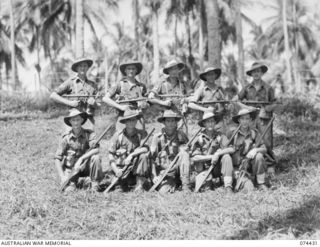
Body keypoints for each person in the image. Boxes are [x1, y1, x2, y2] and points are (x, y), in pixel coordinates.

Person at [54, 109, 104, 192]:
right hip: (72, 169)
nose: (76, 123)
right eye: (73, 120)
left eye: (78, 120)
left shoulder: (89, 134)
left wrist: (81, 159)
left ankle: (94, 183)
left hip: (86, 167)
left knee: (96, 158)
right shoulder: (66, 138)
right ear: (70, 122)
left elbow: (96, 149)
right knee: (69, 190)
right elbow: (57, 158)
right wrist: (62, 176)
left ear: (82, 120)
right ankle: (79, 182)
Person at [191, 112, 234, 193]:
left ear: (215, 123)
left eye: (212, 121)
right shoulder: (199, 138)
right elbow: (195, 157)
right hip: (204, 169)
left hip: (217, 168)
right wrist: (211, 157)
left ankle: (228, 186)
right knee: (206, 189)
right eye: (208, 122)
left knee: (227, 157)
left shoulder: (220, 135)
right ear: (204, 123)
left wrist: (218, 154)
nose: (210, 124)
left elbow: (231, 149)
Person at [108, 109, 150, 192]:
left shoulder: (142, 134)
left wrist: (132, 155)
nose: (131, 122)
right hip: (121, 170)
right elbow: (110, 155)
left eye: (133, 120)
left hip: (136, 170)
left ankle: (139, 184)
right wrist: (116, 170)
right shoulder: (118, 136)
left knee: (143, 156)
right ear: (125, 122)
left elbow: (146, 148)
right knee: (118, 190)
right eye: (129, 120)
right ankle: (122, 184)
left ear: (136, 121)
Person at [150, 110, 191, 193]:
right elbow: (152, 159)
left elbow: (189, 151)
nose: (171, 123)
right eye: (168, 121)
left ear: (176, 122)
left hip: (179, 169)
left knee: (184, 153)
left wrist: (185, 150)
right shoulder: (157, 137)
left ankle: (186, 185)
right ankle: (173, 183)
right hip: (165, 172)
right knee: (163, 192)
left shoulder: (181, 134)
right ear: (164, 122)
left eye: (173, 120)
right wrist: (154, 176)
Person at [238, 62, 277, 148]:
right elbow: (237, 101)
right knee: (250, 139)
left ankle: (269, 160)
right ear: (251, 74)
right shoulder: (247, 88)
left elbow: (274, 103)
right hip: (250, 118)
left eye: (258, 71)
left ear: (262, 73)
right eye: (254, 72)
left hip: (264, 119)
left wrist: (267, 108)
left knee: (266, 140)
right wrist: (247, 108)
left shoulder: (268, 88)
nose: (256, 73)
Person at [50, 58, 99, 126]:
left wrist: (94, 103)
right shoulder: (70, 82)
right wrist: (70, 103)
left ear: (88, 68)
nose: (83, 68)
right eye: (80, 66)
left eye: (85, 66)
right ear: (77, 68)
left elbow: (99, 104)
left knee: (90, 136)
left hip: (88, 120)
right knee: (70, 136)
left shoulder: (93, 85)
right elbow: (53, 95)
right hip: (73, 120)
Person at [230, 108, 268, 191]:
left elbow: (264, 149)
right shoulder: (232, 134)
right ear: (239, 120)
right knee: (249, 188)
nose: (245, 121)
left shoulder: (254, 133)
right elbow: (225, 152)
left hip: (250, 166)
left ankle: (261, 183)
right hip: (237, 168)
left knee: (259, 156)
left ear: (250, 120)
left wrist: (255, 150)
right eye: (242, 119)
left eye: (247, 119)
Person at [102, 60, 147, 130]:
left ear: (136, 70)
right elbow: (105, 98)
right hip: (123, 117)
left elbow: (147, 102)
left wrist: (144, 105)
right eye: (129, 69)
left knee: (140, 139)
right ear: (125, 71)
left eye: (133, 69)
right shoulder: (120, 84)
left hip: (138, 118)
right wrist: (120, 107)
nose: (131, 71)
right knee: (121, 138)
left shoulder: (141, 86)